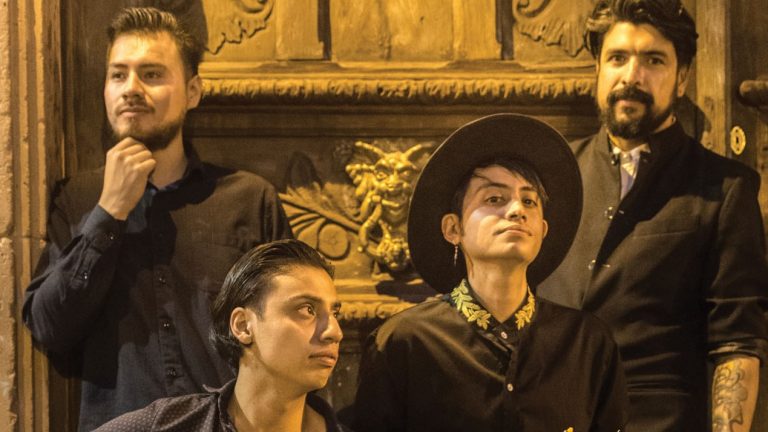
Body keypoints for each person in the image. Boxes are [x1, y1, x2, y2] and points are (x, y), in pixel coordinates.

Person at [22, 7, 291, 430]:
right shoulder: (77, 200)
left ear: (193, 91)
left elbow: (290, 332)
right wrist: (108, 213)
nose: (131, 88)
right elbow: (48, 327)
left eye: (151, 74)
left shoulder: (249, 199)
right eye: (118, 75)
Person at [537, 1, 768, 431]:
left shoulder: (725, 189)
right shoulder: (553, 175)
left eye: (653, 60)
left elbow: (737, 345)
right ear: (598, 70)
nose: (632, 76)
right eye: (617, 58)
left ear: (682, 79)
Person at [352, 114, 627, 431]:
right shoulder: (405, 342)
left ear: (543, 230)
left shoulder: (587, 343)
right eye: (495, 198)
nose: (517, 210)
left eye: (529, 201)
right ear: (453, 229)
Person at [95, 239, 346, 432]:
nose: (334, 332)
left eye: (335, 313)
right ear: (243, 326)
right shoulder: (167, 425)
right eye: (307, 310)